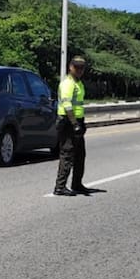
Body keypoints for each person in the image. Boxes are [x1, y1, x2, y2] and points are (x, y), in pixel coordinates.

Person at [53, 55, 90, 196]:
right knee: (67, 154)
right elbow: (67, 105)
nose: (79, 70)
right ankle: (60, 187)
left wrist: (80, 123)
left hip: (77, 121)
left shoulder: (78, 83)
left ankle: (77, 184)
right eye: (77, 67)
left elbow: (78, 105)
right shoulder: (68, 83)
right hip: (68, 122)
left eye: (82, 68)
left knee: (80, 155)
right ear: (70, 67)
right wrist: (75, 124)